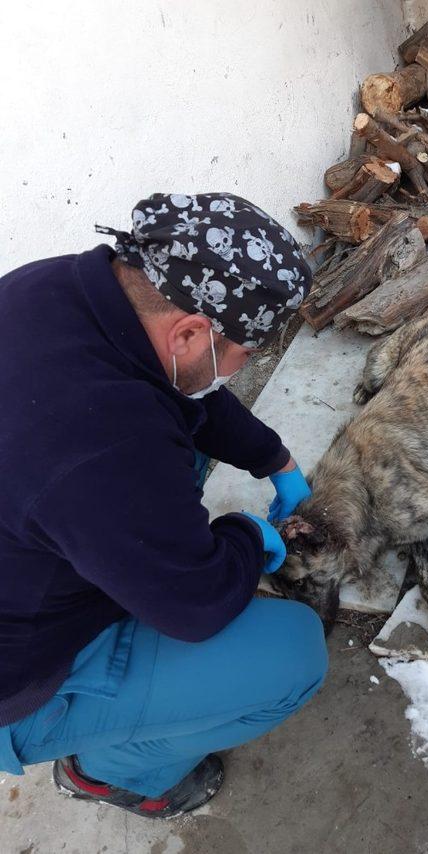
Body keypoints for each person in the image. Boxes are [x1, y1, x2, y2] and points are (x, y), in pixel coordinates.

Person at [0, 192, 328, 818]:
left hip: (26, 540)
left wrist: (273, 459)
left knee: (178, 455)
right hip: (14, 672)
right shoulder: (104, 446)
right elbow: (195, 606)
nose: (239, 367)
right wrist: (246, 537)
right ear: (190, 332)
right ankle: (110, 773)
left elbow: (182, 392)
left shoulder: (59, 290)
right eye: (245, 354)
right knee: (292, 656)